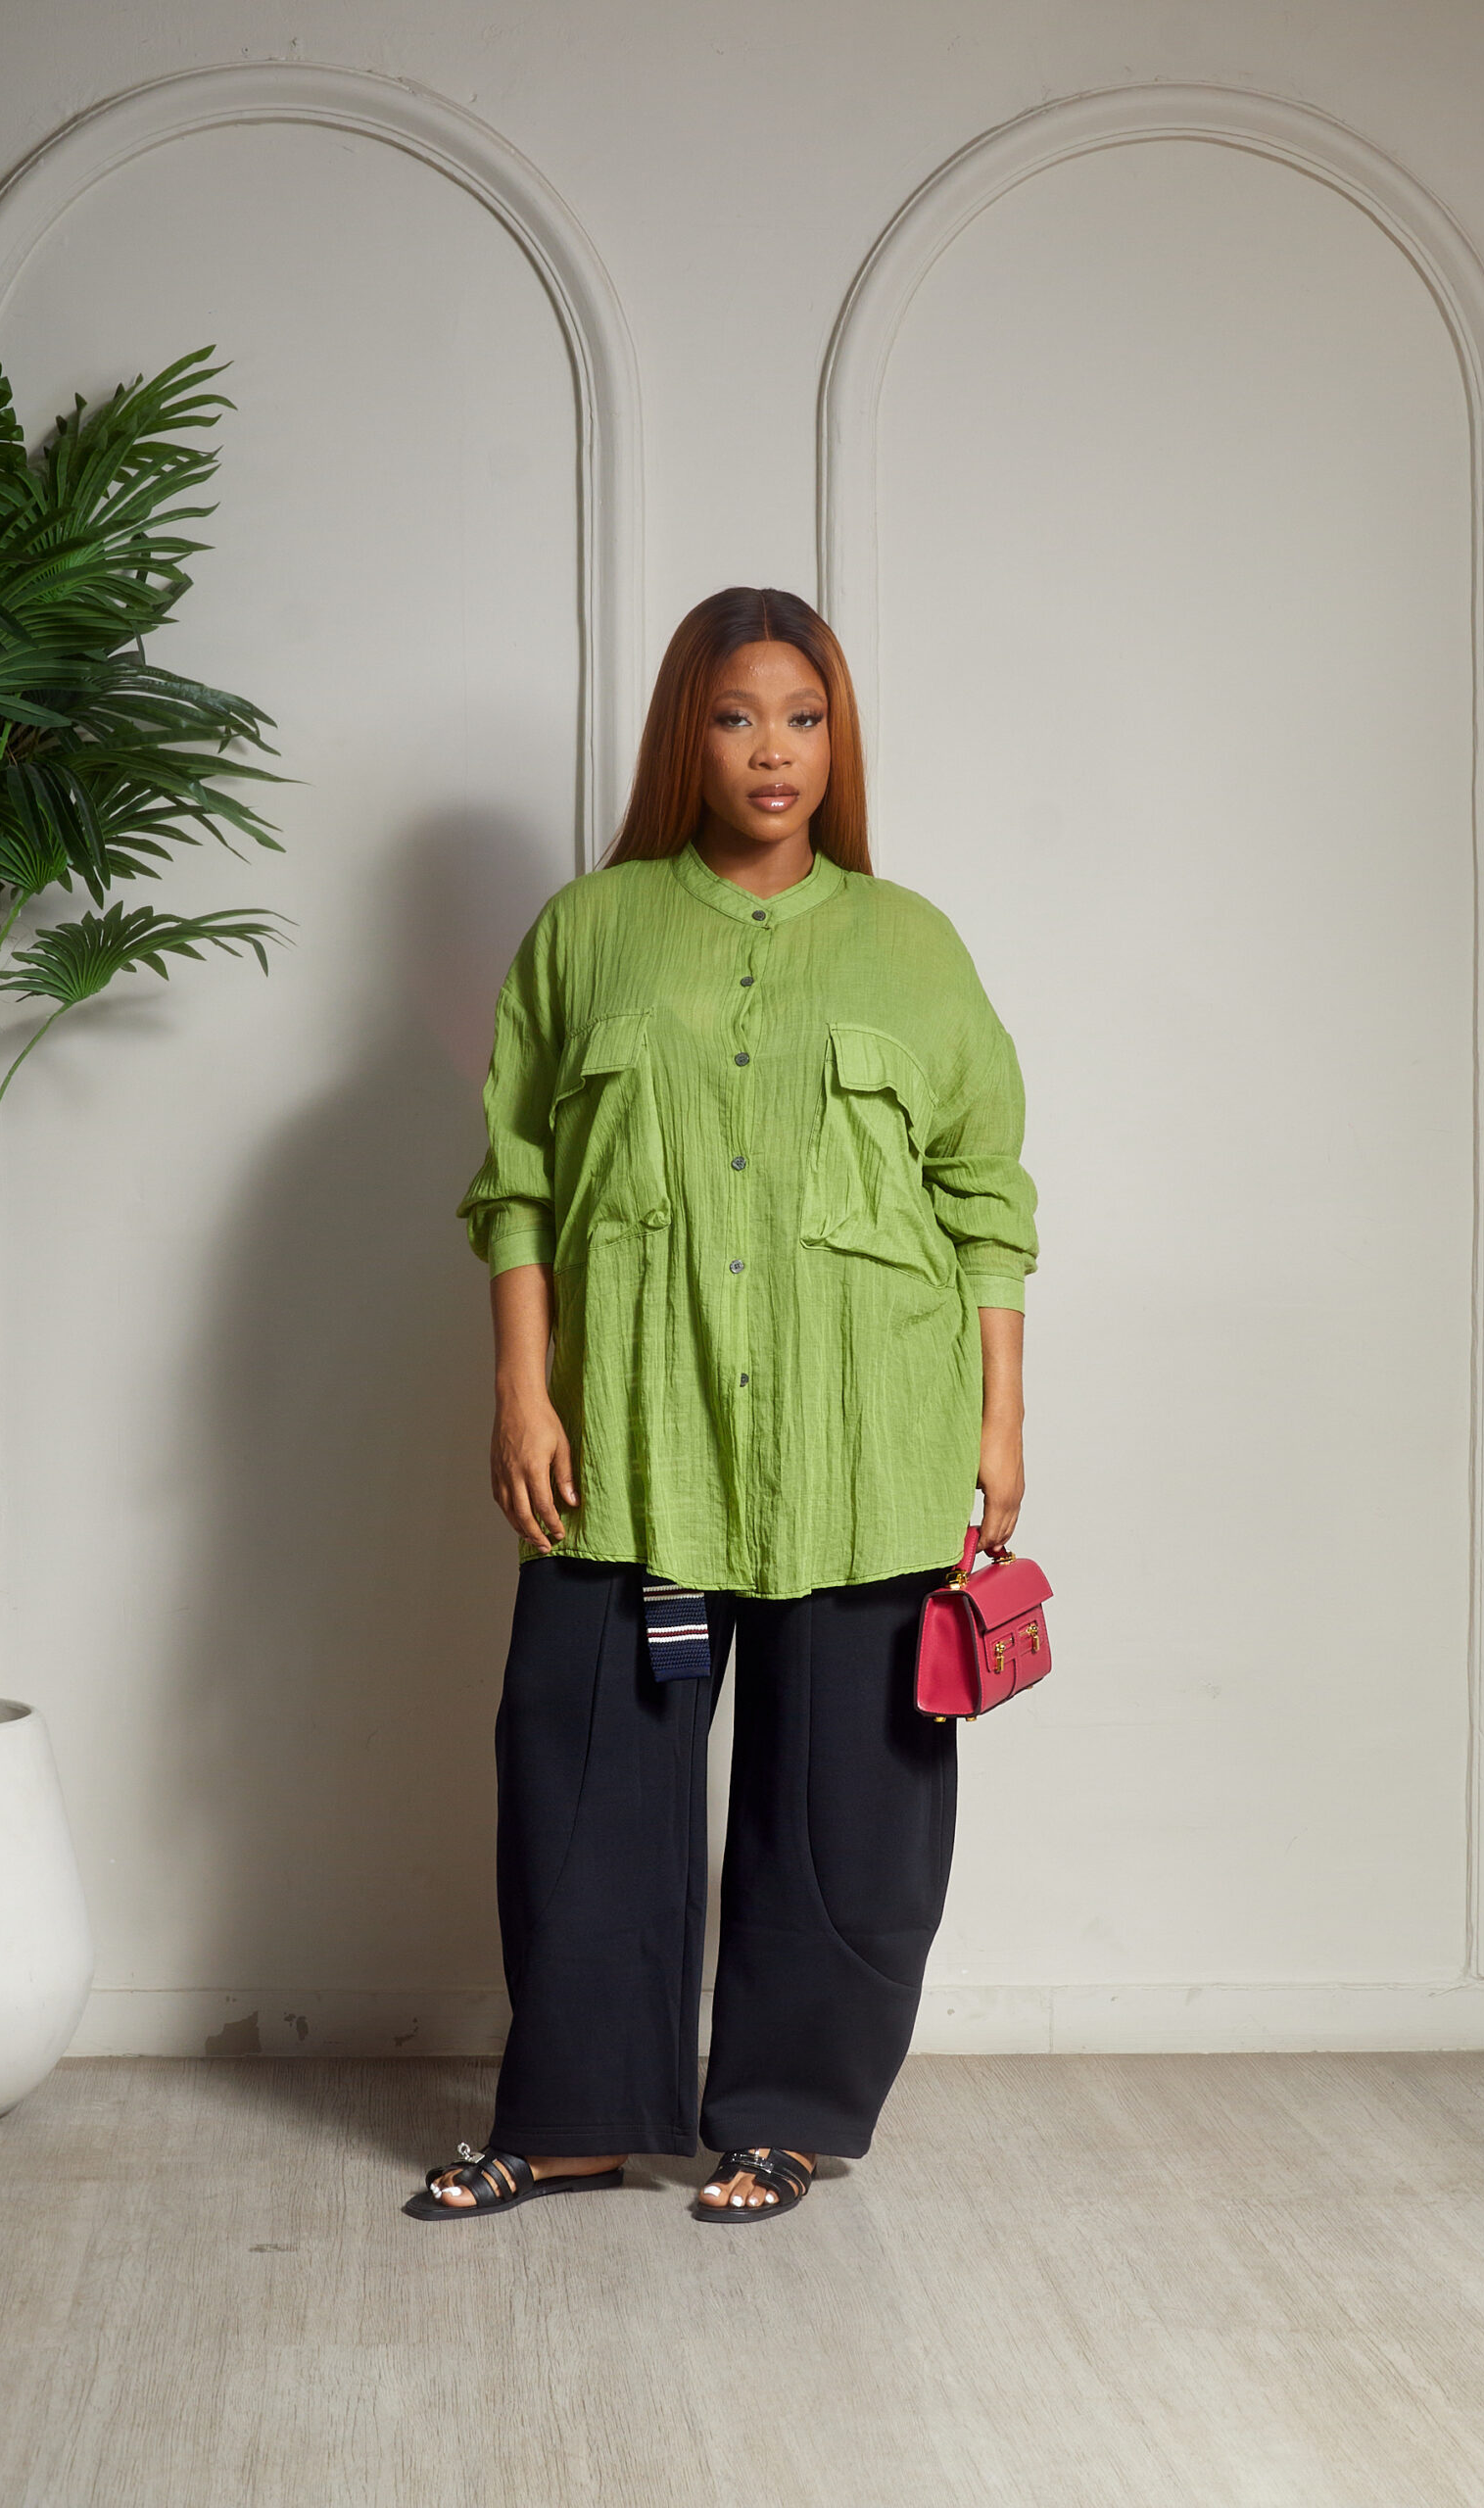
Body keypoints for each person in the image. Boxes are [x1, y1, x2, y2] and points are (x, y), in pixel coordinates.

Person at [407, 586, 1037, 2225]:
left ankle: (786, 2119)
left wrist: (999, 1420)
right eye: (740, 716)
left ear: (839, 740)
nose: (775, 751)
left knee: (847, 1816)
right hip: (632, 1443)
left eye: (805, 718)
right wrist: (522, 1391)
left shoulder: (912, 946)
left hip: (862, 1440)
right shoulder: (590, 931)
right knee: (582, 1787)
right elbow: (518, 1185)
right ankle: (573, 2122)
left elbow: (985, 1193)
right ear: (686, 735)